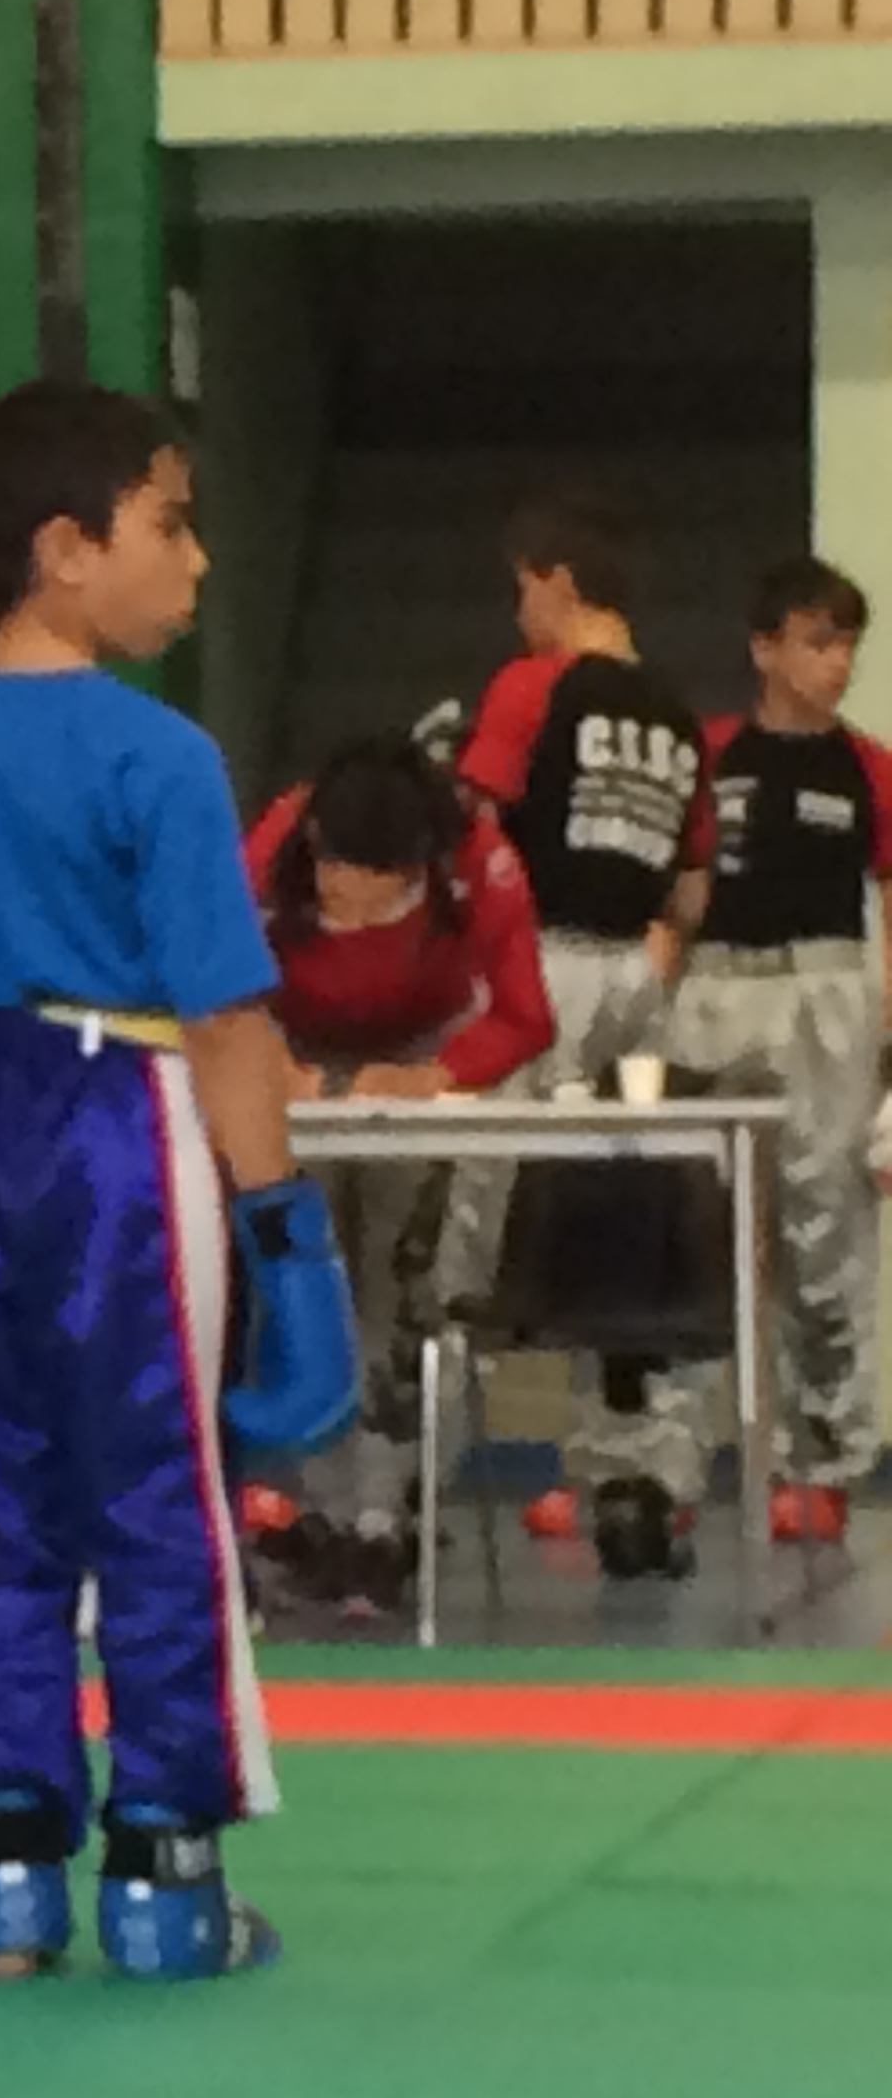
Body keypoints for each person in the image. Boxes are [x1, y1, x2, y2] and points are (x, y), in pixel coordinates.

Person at [0, 379, 354, 1982]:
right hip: (121, 1123)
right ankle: (162, 1872)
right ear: (67, 549)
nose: (194, 562)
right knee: (156, 1493)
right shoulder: (162, 754)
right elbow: (227, 1019)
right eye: (171, 525)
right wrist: (284, 1237)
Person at [446, 491, 711, 1580]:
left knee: (470, 1206)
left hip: (537, 964)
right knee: (626, 1222)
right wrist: (651, 962)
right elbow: (690, 884)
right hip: (637, 982)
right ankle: (639, 1472)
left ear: (556, 580)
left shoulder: (532, 685)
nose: (519, 610)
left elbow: (472, 824)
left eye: (523, 587)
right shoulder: (677, 715)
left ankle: (407, 1468)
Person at [239, 735, 555, 1614]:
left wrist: (437, 1074)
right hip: (293, 1055)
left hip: (424, 1054)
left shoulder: (479, 859)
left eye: (376, 882)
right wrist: (275, 1065)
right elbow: (211, 975)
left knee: (404, 1285)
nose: (348, 893)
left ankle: (387, 1513)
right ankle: (318, 1505)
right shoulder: (273, 845)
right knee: (304, 1278)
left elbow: (526, 1014)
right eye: (336, 872)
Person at [651, 560, 891, 1547]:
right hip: (715, 992)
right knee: (691, 1231)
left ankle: (821, 1466)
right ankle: (658, 1473)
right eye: (816, 641)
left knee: (825, 1230)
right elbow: (675, 900)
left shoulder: (871, 768)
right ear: (764, 647)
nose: (836, 664)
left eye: (847, 645)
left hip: (828, 995)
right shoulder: (708, 758)